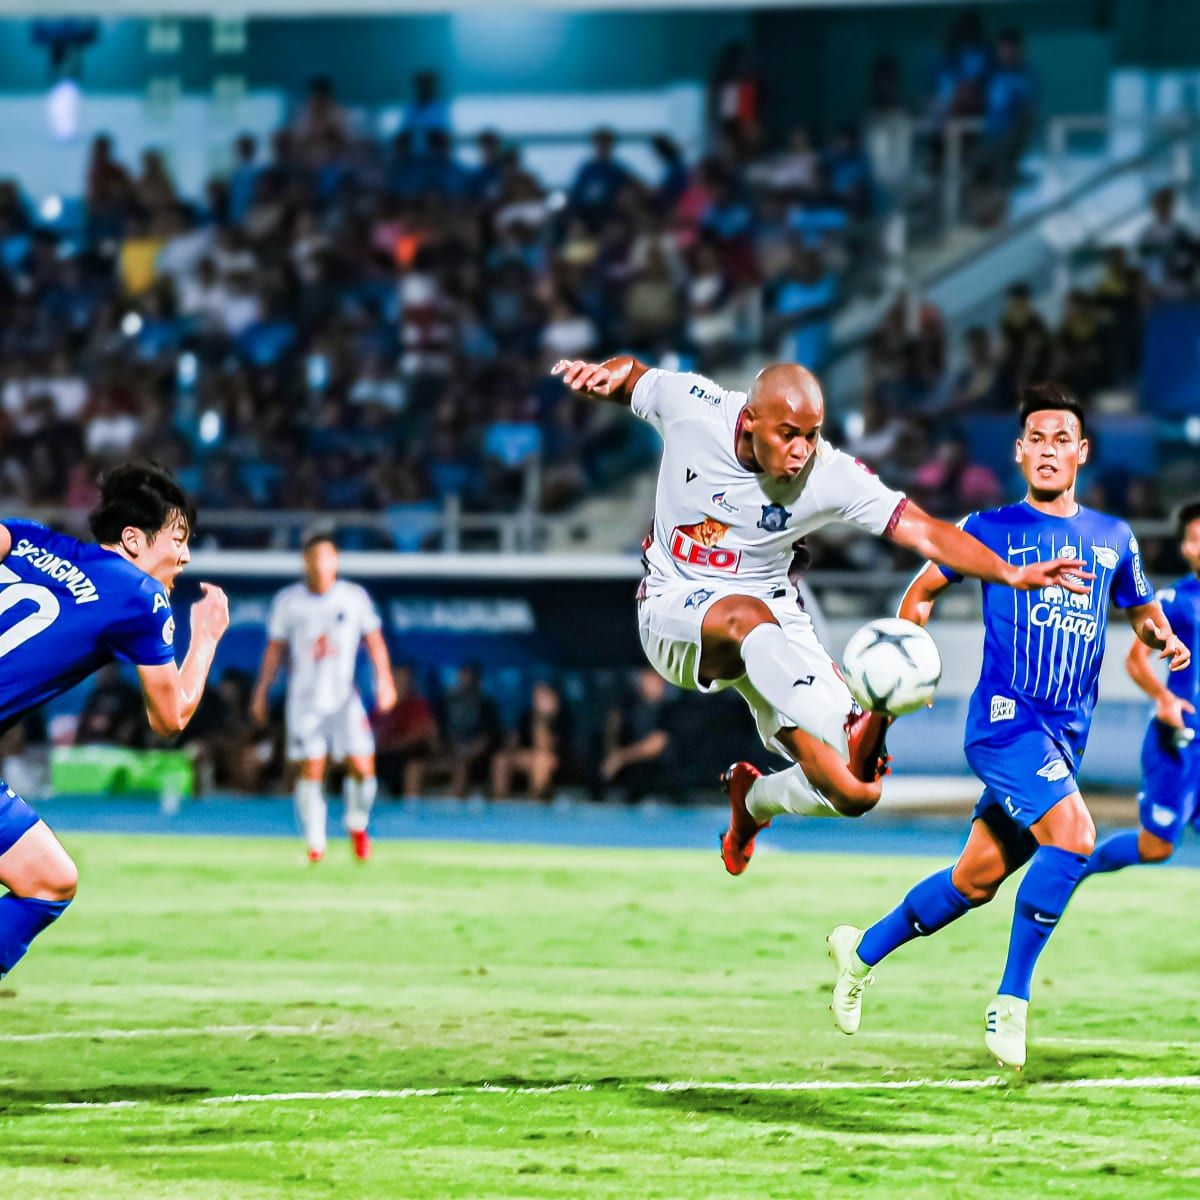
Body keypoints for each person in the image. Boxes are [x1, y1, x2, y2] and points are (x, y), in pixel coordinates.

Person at [551, 357, 1087, 876]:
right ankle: (854, 724)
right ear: (750, 419)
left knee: (856, 789)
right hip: (674, 608)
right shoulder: (695, 408)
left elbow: (926, 530)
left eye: (812, 434)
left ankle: (754, 800)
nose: (801, 451)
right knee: (745, 616)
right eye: (788, 434)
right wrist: (600, 376)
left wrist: (1009, 573)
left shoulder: (827, 474)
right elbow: (634, 376)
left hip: (771, 626)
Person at [827, 384, 1189, 1070]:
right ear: (1019, 452)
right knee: (1076, 838)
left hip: (1064, 738)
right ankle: (1011, 1000)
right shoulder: (989, 530)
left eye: (1063, 440)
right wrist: (902, 658)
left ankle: (861, 949)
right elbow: (923, 590)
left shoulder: (1113, 538)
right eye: (1038, 440)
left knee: (975, 881)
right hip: (1004, 724)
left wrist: (1163, 639)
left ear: (1082, 453)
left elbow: (1140, 610)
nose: (1049, 451)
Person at [0, 461, 230, 981]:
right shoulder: (140, 598)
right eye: (178, 537)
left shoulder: (30, 539)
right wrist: (208, 637)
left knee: (49, 876)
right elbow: (170, 718)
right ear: (133, 539)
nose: (186, 554)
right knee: (46, 883)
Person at [251, 532, 396, 863]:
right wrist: (261, 691)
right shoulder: (290, 602)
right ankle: (316, 845)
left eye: (328, 558)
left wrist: (384, 680)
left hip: (345, 698)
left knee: (363, 767)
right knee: (312, 770)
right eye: (315, 558)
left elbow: (374, 641)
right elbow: (275, 651)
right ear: (306, 562)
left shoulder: (353, 598)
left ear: (336, 561)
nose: (322, 565)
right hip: (305, 702)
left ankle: (357, 823)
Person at [1080, 500, 1200, 877]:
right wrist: (1165, 698)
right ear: (1185, 548)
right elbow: (1135, 660)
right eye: (1197, 539)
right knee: (1156, 846)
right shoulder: (1175, 602)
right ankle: (1077, 871)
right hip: (1180, 740)